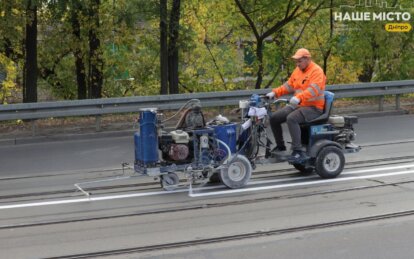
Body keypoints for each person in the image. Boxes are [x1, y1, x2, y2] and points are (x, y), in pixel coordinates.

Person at [266, 48, 326, 161]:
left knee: (291, 118)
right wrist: (274, 92)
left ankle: (298, 151)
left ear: (307, 59)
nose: (297, 64)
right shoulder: (297, 71)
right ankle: (280, 146)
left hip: (314, 107)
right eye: (296, 61)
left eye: (299, 61)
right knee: (274, 118)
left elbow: (314, 90)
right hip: (299, 105)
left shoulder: (316, 71)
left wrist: (298, 98)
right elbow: (288, 86)